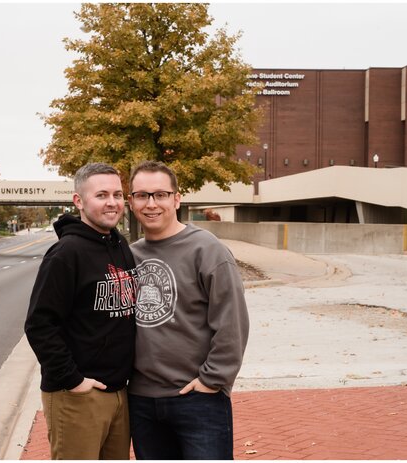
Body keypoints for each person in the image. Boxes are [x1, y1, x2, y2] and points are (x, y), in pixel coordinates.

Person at [127, 160, 250, 460]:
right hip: (142, 402)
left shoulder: (207, 250)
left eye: (160, 194)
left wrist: (212, 380)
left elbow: (232, 323)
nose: (151, 203)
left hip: (198, 400)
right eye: (142, 195)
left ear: (177, 199)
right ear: (131, 202)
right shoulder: (129, 256)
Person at [23, 163, 138, 460]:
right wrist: (73, 380)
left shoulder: (120, 245)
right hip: (77, 395)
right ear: (79, 201)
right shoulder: (66, 254)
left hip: (119, 392)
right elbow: (39, 325)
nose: (112, 202)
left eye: (117, 194)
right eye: (101, 195)